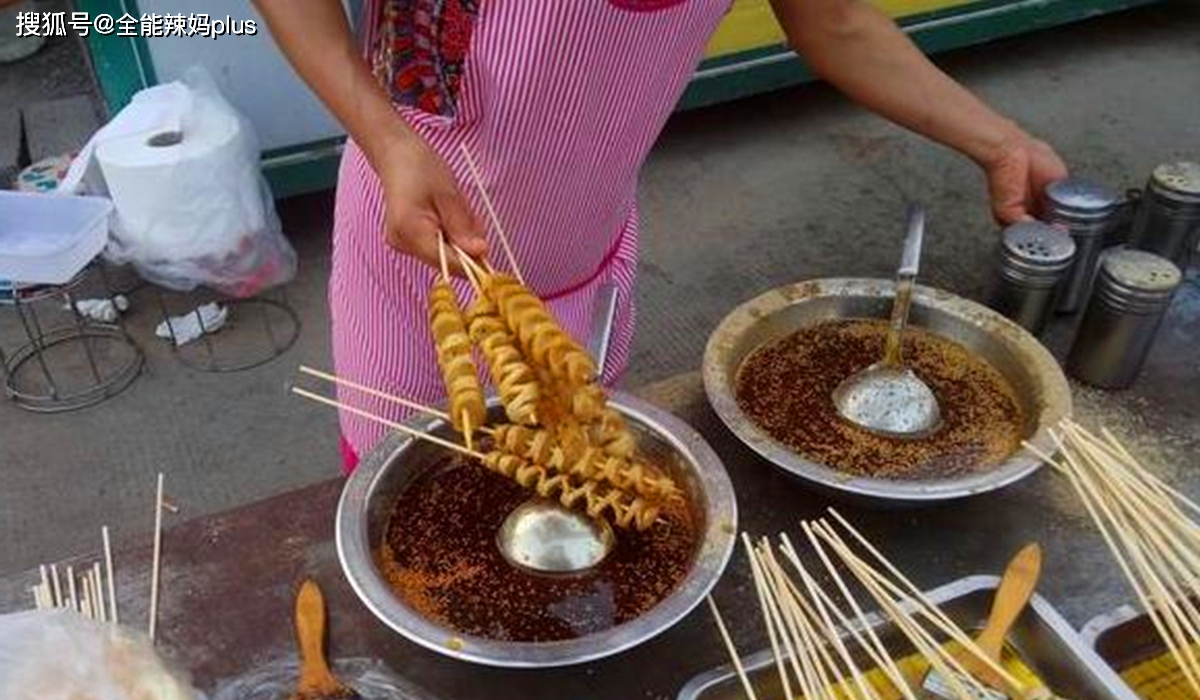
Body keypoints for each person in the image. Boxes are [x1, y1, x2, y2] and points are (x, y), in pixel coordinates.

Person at [255, 0, 1068, 472]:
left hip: (585, 250)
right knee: (415, 487)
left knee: (570, 468)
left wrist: (999, 143)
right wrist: (385, 136)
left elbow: (839, 22)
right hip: (411, 252)